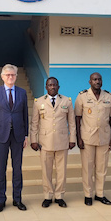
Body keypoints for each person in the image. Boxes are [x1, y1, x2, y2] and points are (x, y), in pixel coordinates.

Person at [30, 77, 76, 208]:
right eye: (50, 85)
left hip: (62, 141)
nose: (52, 87)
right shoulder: (39, 102)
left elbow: (72, 123)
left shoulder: (67, 101)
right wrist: (34, 140)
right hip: (45, 142)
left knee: (61, 171)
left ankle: (60, 195)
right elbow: (34, 123)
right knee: (46, 171)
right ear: (46, 87)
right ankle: (48, 195)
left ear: (58, 87)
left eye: (55, 85)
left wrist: (72, 139)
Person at [0, 64, 29, 212]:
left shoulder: (22, 92)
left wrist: (26, 135)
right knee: (1, 169)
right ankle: (1, 200)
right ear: (2, 76)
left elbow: (25, 115)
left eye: (13, 75)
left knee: (17, 169)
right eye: (8, 75)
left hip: (18, 135)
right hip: (1, 135)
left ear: (16, 76)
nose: (10, 77)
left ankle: (17, 199)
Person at [74, 72, 111, 206]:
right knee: (87, 168)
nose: (97, 81)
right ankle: (88, 194)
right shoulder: (82, 97)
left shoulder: (109, 97)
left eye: (99, 79)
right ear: (90, 82)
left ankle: (100, 194)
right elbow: (77, 118)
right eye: (94, 79)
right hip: (87, 137)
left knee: (102, 168)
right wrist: (78, 137)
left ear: (102, 82)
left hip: (104, 137)